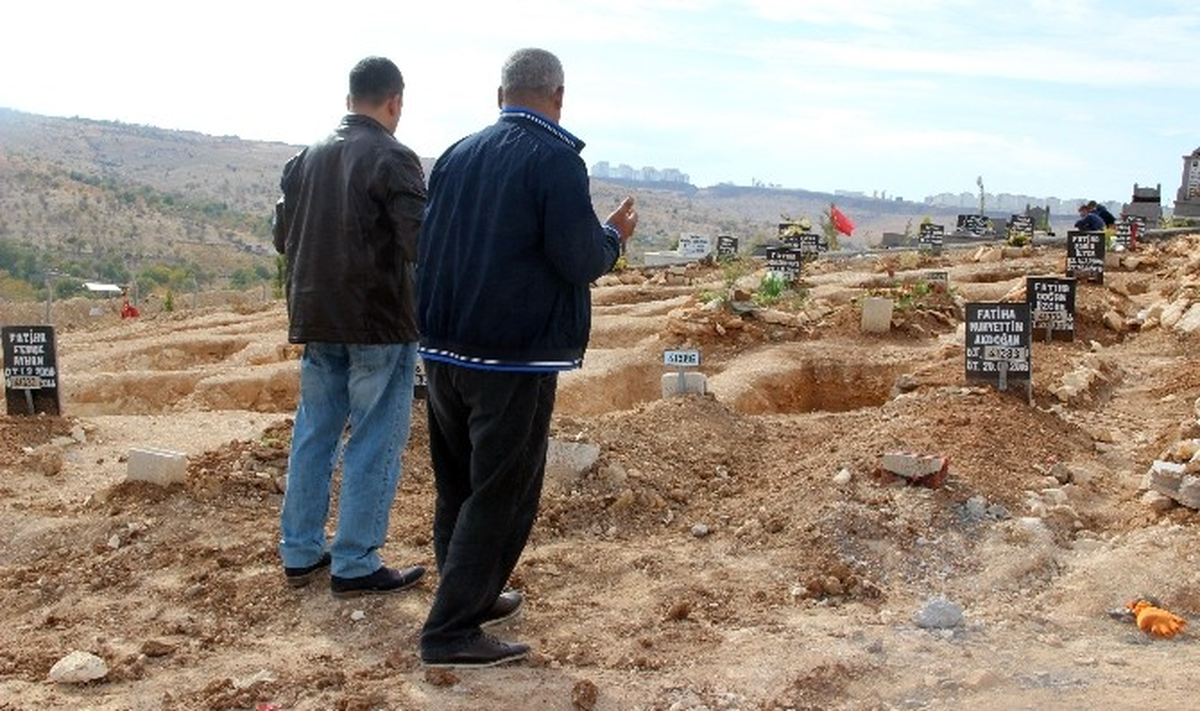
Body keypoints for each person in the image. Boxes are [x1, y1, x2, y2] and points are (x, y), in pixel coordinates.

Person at [416, 47, 637, 668]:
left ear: (500, 95)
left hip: (444, 349)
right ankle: (450, 632)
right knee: (502, 493)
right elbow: (579, 259)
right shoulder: (556, 160)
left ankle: (470, 597)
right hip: (510, 358)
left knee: (458, 484)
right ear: (558, 97)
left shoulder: (456, 153)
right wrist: (614, 236)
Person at [272, 56, 427, 599]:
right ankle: (356, 560)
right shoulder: (394, 157)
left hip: (315, 317)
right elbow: (420, 243)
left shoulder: (303, 159)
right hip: (379, 321)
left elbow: (281, 237)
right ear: (395, 102)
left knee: (314, 431)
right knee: (375, 436)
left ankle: (300, 551)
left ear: (348, 100)